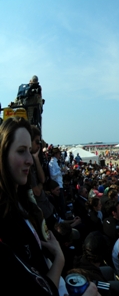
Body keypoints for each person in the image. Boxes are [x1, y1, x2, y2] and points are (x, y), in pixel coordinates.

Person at [0, 117, 69, 295]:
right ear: (2, 155)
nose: (30, 160)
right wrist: (59, 259)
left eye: (30, 151)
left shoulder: (22, 202)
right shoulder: (5, 221)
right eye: (21, 151)